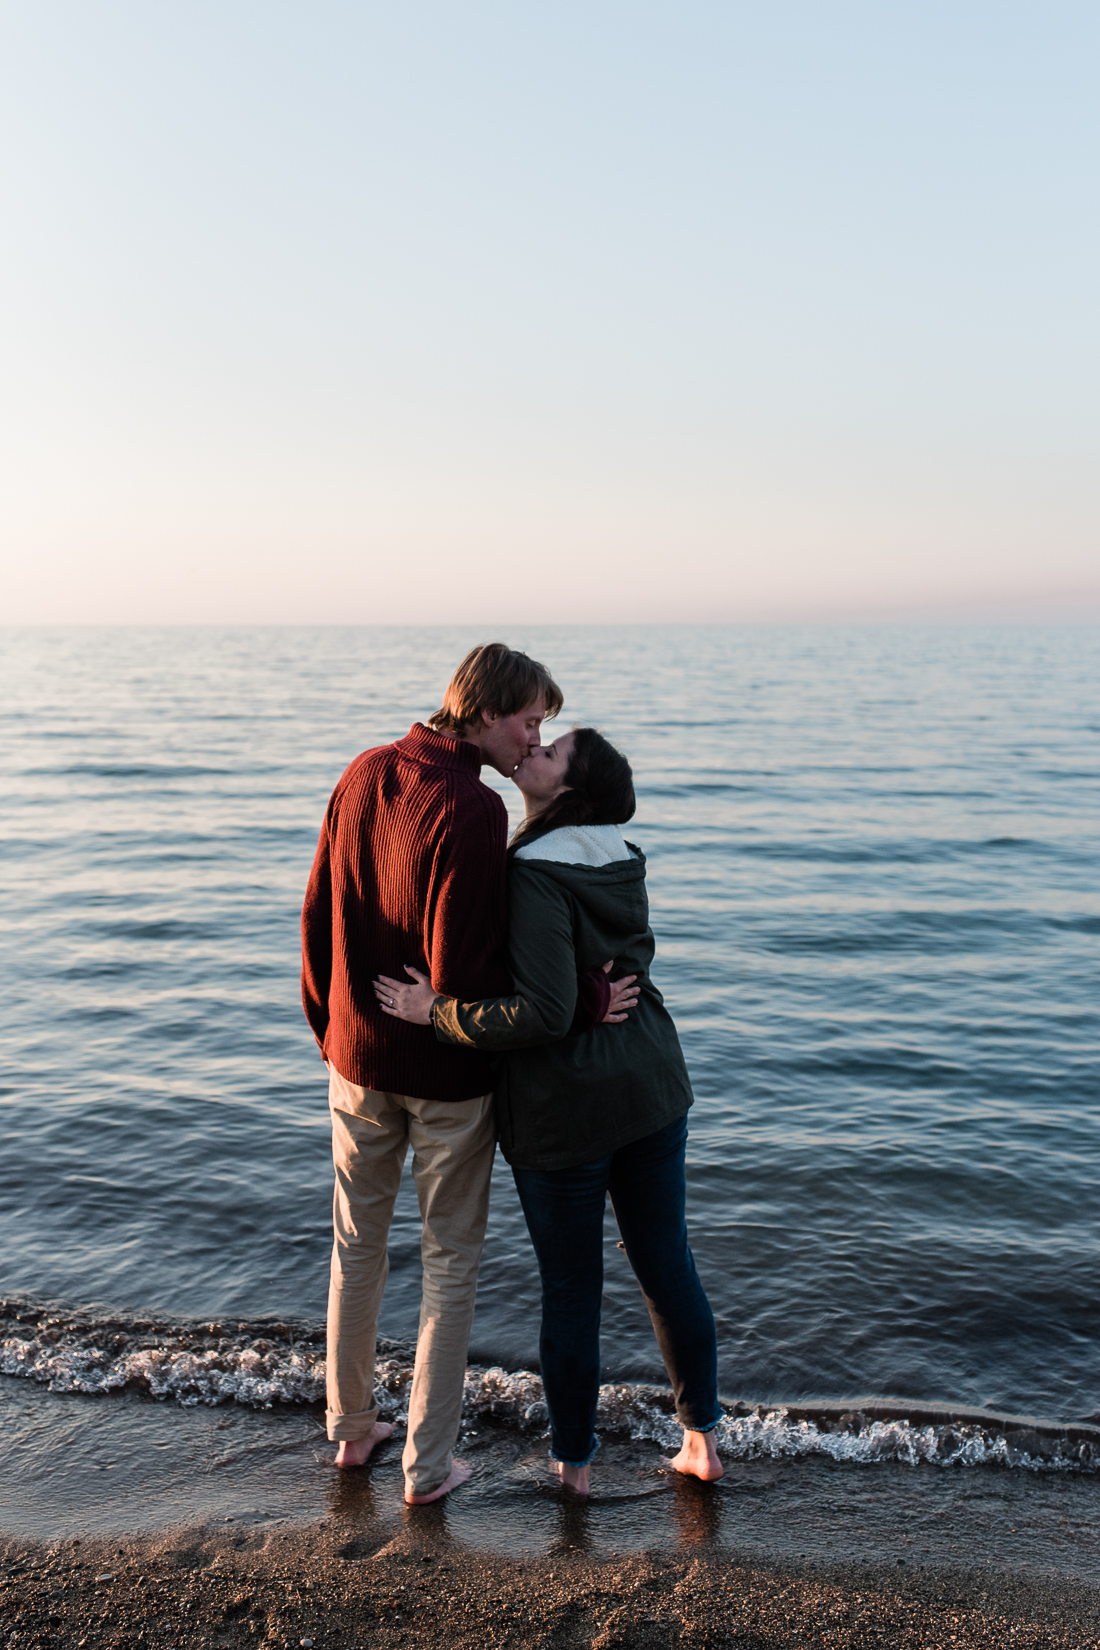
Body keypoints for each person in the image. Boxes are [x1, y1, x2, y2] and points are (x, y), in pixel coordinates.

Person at [375, 726, 722, 1495]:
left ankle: (574, 1466)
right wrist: (584, 995)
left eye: (551, 753)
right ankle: (702, 1441)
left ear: (569, 791)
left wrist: (436, 1010)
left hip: (566, 1110)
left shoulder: (534, 870)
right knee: (668, 1266)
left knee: (572, 1287)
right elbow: (588, 983)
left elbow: (539, 1011)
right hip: (655, 1086)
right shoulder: (624, 859)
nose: (533, 752)